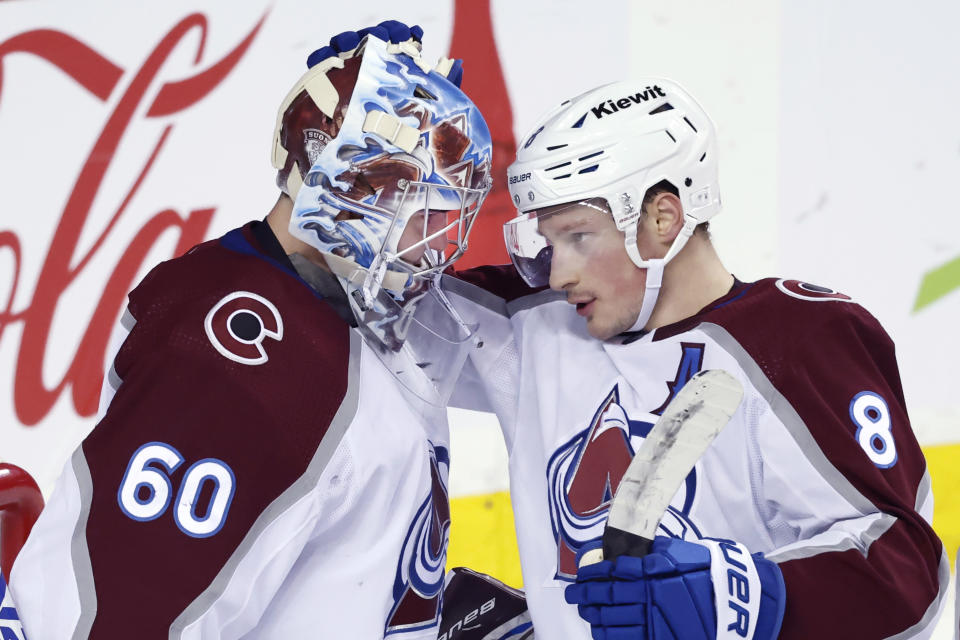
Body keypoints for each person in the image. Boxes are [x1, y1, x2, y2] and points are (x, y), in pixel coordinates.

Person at [8, 22, 493, 638]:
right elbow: (127, 614)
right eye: (424, 206)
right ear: (346, 184)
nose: (439, 241)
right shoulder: (242, 362)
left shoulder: (343, 313)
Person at [443, 78, 948, 639]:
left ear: (663, 219)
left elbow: (905, 574)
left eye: (579, 237)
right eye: (547, 241)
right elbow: (373, 317)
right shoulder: (530, 322)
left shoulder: (798, 339)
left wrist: (745, 597)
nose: (558, 273)